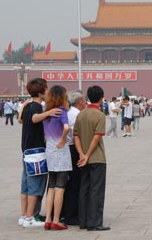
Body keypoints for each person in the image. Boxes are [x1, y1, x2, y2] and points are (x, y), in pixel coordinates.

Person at [19, 78, 62, 228]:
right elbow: (34, 118)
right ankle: (30, 217)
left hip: (27, 151)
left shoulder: (27, 105)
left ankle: (24, 215)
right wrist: (49, 112)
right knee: (35, 185)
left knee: (25, 185)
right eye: (46, 89)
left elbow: (20, 120)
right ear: (40, 91)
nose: (47, 92)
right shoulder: (36, 106)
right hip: (36, 152)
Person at [74, 85, 110, 231]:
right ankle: (94, 222)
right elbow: (96, 138)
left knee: (84, 189)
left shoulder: (80, 114)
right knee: (96, 191)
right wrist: (88, 154)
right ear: (101, 98)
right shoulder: (100, 115)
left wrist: (82, 154)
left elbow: (76, 136)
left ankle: (83, 221)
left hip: (83, 159)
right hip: (96, 158)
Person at [43, 85, 72, 230]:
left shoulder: (47, 113)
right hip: (60, 149)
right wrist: (63, 139)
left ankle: (47, 219)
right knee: (60, 186)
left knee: (51, 185)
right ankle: (55, 220)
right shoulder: (62, 111)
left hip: (49, 148)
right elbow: (66, 127)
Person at [62, 90, 86, 226]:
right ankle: (72, 215)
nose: (85, 102)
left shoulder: (69, 113)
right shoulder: (77, 114)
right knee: (75, 184)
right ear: (79, 101)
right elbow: (78, 135)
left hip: (67, 149)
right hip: (73, 149)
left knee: (69, 182)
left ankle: (65, 212)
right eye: (83, 100)